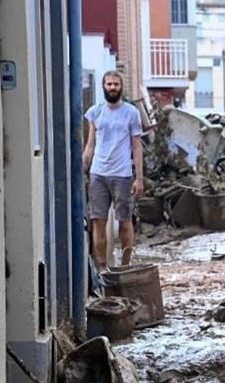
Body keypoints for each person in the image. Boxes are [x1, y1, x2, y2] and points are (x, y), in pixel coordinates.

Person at [82, 70, 144, 268]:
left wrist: (139, 178)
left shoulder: (131, 113)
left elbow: (136, 146)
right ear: (103, 86)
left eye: (116, 84)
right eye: (109, 84)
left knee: (125, 221)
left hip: (122, 175)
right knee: (98, 221)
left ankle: (125, 267)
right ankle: (102, 269)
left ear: (121, 87)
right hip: (98, 174)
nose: (112, 88)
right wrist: (84, 164)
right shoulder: (95, 112)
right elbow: (90, 144)